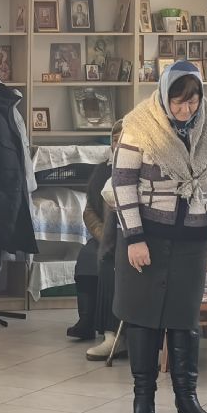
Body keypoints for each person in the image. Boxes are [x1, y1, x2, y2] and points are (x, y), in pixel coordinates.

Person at [112, 61, 207, 413]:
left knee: (184, 319)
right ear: (165, 96)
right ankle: (144, 397)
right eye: (179, 101)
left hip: (194, 238)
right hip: (147, 237)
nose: (186, 109)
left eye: (193, 101)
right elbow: (122, 182)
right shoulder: (140, 123)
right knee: (144, 318)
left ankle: (187, 397)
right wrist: (134, 238)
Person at [70, 120, 121, 343]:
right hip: (103, 235)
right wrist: (102, 233)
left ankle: (112, 326)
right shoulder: (102, 170)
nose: (118, 144)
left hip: (128, 238)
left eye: (123, 139)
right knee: (87, 256)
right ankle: (86, 320)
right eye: (115, 140)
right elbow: (89, 210)